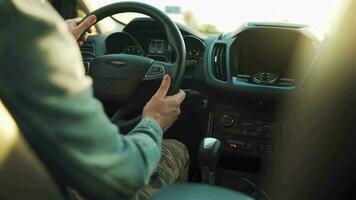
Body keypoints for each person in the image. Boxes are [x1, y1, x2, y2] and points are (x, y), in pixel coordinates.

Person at [0, 0, 189, 199]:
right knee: (176, 148)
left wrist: (60, 45)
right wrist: (154, 121)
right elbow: (125, 174)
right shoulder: (21, 20)